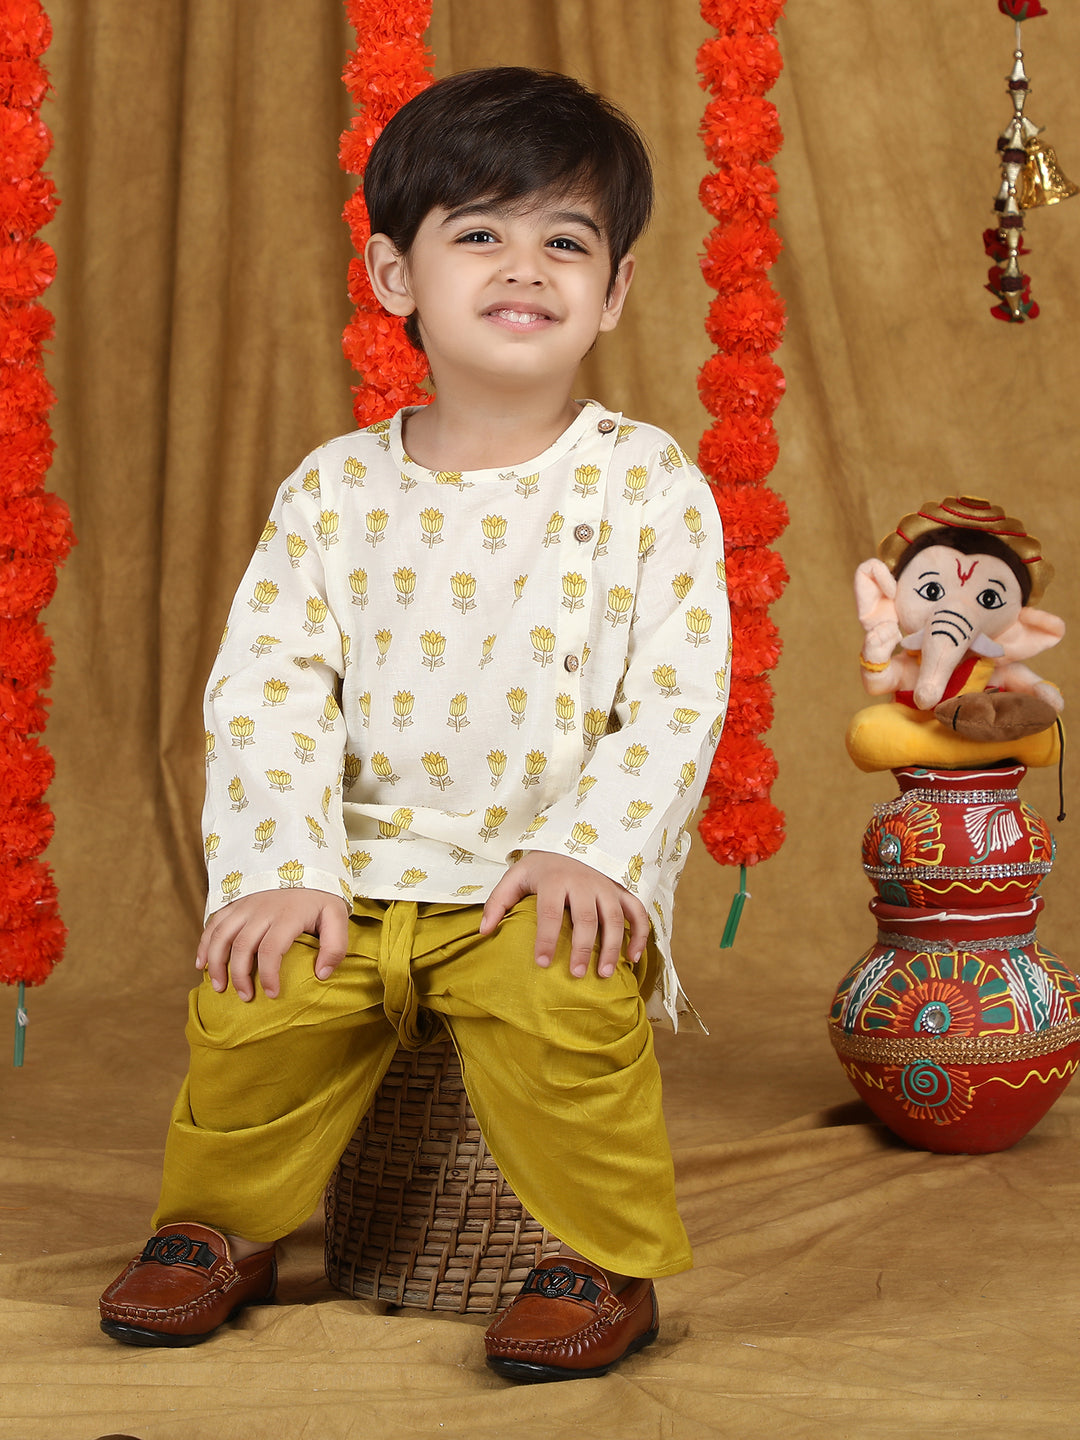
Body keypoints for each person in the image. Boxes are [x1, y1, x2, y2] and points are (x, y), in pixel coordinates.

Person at [99, 66, 730, 1383]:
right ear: (397, 274)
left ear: (615, 291)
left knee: (568, 1014)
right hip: (354, 868)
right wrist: (285, 866)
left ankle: (599, 1254)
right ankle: (222, 1227)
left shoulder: (645, 482)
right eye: (481, 232)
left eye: (567, 242)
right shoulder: (333, 491)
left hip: (534, 872)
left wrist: (593, 852)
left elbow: (677, 695)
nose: (526, 267)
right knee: (255, 1004)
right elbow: (268, 689)